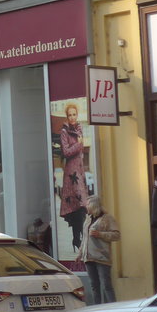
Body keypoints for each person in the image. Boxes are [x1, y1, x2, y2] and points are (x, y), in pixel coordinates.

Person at [79, 195, 121, 304]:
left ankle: (113, 307)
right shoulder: (88, 219)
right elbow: (85, 238)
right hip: (88, 257)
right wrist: (80, 253)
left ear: (93, 205)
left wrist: (100, 234)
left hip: (102, 257)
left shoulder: (107, 218)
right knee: (94, 285)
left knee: (106, 284)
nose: (86, 206)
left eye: (87, 204)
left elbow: (116, 235)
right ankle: (97, 308)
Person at [58, 103, 88, 250]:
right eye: (69, 115)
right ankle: (77, 238)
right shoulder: (64, 131)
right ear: (67, 116)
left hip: (79, 171)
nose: (72, 117)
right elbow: (66, 152)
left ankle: (79, 238)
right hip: (71, 174)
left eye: (74, 114)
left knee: (81, 206)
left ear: (77, 115)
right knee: (77, 207)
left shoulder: (80, 129)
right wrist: (78, 144)